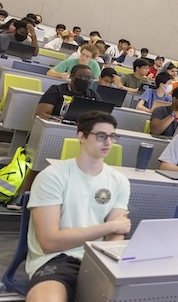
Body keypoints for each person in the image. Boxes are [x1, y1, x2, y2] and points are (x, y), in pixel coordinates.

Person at [25, 111, 130, 302]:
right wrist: (109, 226)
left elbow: (116, 234)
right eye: (101, 136)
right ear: (81, 136)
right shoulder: (53, 176)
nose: (108, 142)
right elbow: (49, 243)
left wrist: (111, 264)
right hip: (58, 259)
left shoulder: (119, 181)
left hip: (100, 259)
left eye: (112, 136)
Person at [36, 65, 102, 119]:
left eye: (89, 78)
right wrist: (61, 120)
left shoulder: (93, 95)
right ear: (72, 76)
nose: (85, 80)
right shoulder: (57, 90)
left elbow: (99, 117)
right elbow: (41, 113)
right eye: (82, 77)